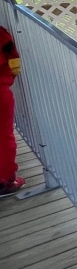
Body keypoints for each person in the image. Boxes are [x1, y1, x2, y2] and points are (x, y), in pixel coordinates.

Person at [0, 24, 22, 196]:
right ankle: (6, 181)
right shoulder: (2, 35)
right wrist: (13, 74)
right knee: (3, 137)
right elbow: (13, 60)